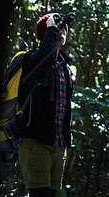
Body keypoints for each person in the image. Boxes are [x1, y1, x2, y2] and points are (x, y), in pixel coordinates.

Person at [15, 12, 75, 197]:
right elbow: (44, 57)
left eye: (62, 27)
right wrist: (49, 29)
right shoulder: (31, 60)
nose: (60, 31)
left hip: (58, 147)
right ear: (46, 33)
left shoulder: (65, 68)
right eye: (55, 28)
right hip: (36, 145)